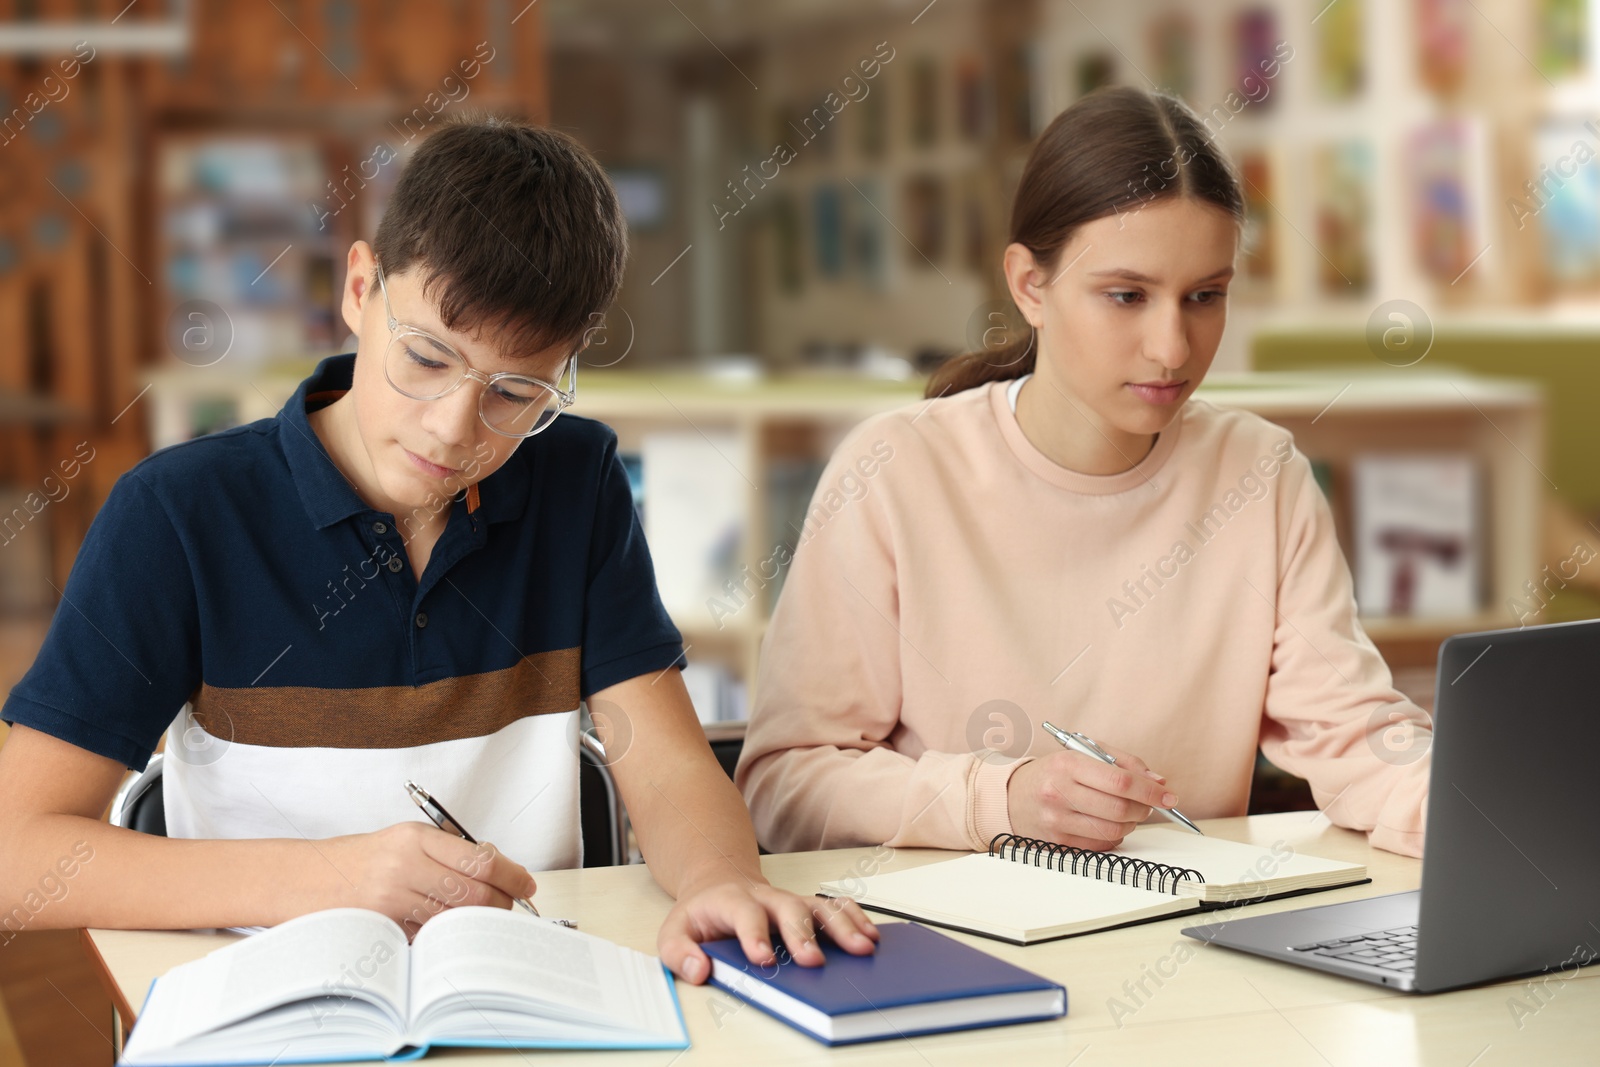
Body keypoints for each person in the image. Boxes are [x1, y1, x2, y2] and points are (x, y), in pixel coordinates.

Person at [0, 117, 875, 982]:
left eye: (516, 391)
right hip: (266, 1003)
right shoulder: (178, 514)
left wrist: (722, 880)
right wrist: (334, 879)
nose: (455, 428)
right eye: (425, 358)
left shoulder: (575, 480)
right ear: (358, 288)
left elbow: (670, 762)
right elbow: (18, 854)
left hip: (525, 992)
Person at [737, 87, 1431, 860]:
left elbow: (1360, 743)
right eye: (1126, 296)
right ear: (1031, 286)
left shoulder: (1261, 475)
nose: (1172, 347)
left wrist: (1501, 813)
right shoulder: (895, 470)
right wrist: (998, 799)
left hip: (1183, 938)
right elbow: (783, 788)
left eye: (1205, 296)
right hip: (949, 940)